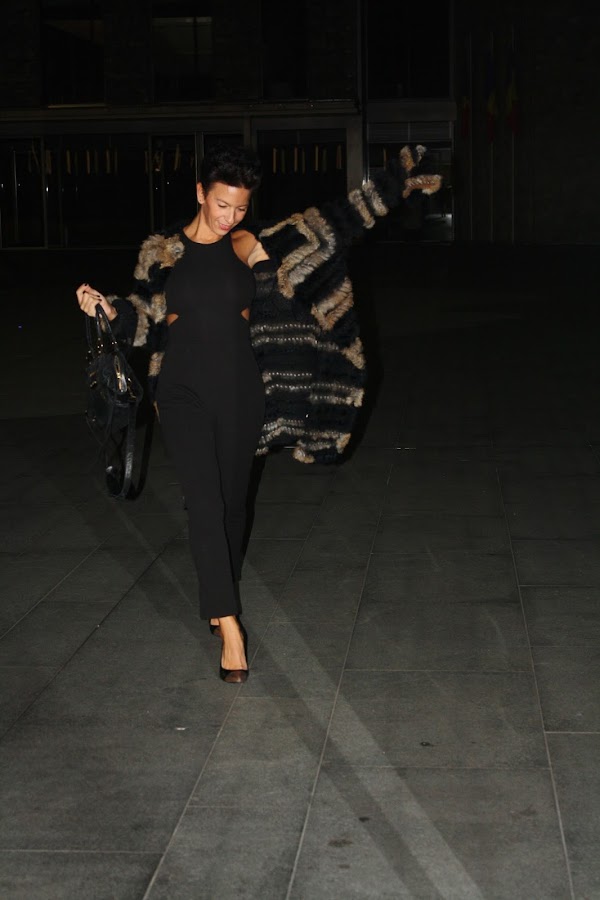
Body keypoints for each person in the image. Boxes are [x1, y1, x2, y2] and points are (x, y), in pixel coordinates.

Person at [76, 141, 441, 684]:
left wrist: (394, 184)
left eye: (241, 207)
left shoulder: (253, 243)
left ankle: (219, 590)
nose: (230, 216)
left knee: (231, 506)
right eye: (221, 204)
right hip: (181, 390)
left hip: (242, 390)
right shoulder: (163, 253)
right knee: (203, 502)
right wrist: (107, 308)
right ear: (200, 193)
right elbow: (144, 315)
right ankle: (228, 626)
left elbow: (334, 224)